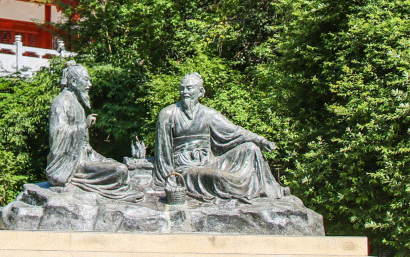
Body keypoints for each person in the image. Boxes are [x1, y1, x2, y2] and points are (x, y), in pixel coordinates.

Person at [153, 72, 287, 202]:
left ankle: (267, 188)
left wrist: (260, 140)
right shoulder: (167, 114)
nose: (185, 92)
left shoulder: (208, 113)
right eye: (182, 89)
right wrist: (169, 178)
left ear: (201, 91)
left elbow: (235, 132)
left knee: (251, 149)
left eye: (189, 88)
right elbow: (163, 152)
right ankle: (243, 191)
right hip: (186, 167)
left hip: (210, 161)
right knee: (217, 176)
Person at [46, 62, 135, 199]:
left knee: (118, 165)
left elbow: (85, 146)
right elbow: (56, 134)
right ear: (74, 82)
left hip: (85, 156)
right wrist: (84, 126)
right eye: (86, 80)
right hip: (70, 164)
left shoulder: (76, 103)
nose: (90, 85)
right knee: (120, 170)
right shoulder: (61, 101)